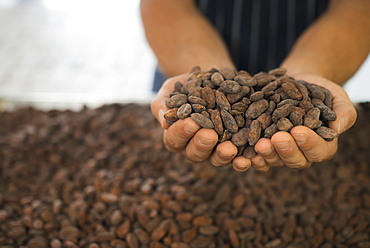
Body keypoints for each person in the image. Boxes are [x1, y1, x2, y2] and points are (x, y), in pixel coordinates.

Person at [140, 0, 369, 172]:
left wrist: (313, 70)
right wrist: (205, 73)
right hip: (188, 46)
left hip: (322, 45)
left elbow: (358, 8)